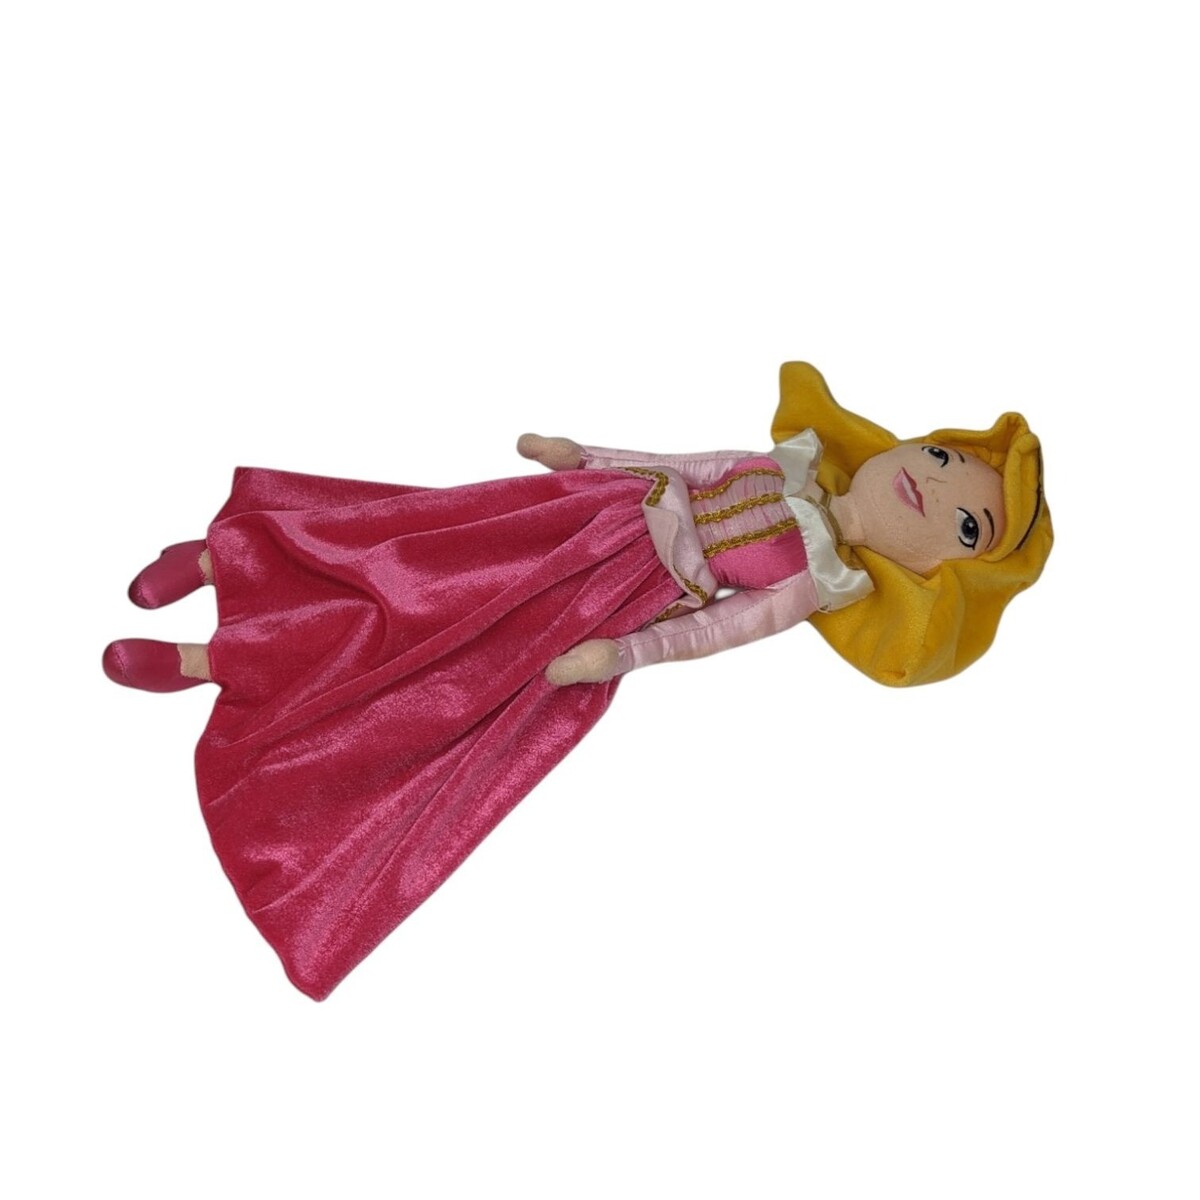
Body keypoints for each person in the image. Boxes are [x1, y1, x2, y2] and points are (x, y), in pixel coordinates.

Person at [102, 363, 1052, 998]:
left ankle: (210, 663)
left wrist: (623, 654)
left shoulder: (815, 582)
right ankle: (223, 560)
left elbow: (719, 627)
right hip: (578, 514)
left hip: (610, 597)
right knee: (412, 550)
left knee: (442, 658)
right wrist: (585, 455)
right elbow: (681, 467)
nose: (934, 486)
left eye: (966, 523)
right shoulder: (782, 464)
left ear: (936, 568)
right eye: (944, 457)